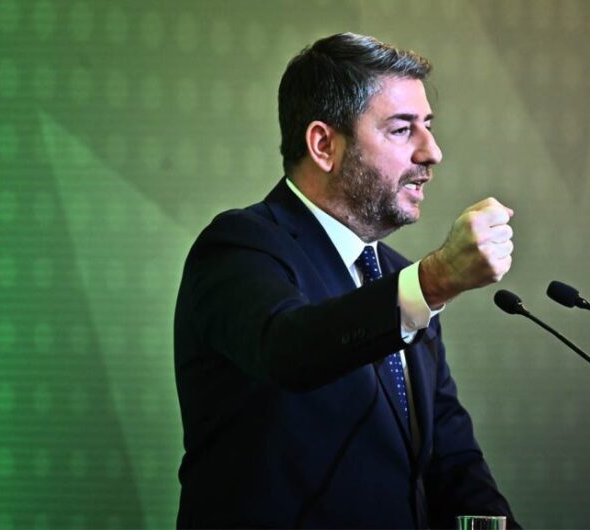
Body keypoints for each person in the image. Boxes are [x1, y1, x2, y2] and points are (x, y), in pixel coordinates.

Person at [173, 32, 520, 529]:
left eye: (428, 127)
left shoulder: (399, 277)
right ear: (323, 145)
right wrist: (436, 279)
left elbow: (450, 459)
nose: (432, 152)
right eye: (402, 129)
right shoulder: (239, 247)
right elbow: (289, 350)